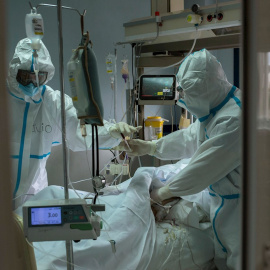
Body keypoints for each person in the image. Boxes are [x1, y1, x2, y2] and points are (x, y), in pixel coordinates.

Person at [115, 49, 241, 270]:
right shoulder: (215, 111)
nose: (185, 101)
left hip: (243, 210)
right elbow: (190, 137)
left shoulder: (236, 119)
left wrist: (162, 194)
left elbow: (201, 170)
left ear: (207, 90)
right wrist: (151, 146)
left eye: (189, 96)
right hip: (223, 205)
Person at [8, 38, 140, 207]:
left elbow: (79, 128)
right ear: (15, 71)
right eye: (27, 76)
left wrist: (111, 131)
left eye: (40, 76)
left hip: (35, 196)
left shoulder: (52, 102)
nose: (34, 82)